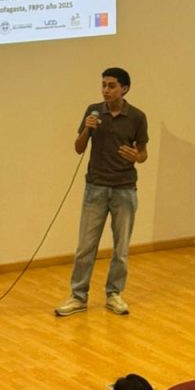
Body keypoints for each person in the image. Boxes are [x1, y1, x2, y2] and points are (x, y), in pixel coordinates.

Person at [55, 67, 148, 317]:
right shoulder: (93, 111)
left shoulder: (137, 117)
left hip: (125, 190)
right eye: (103, 85)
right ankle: (78, 296)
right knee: (86, 247)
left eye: (111, 86)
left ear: (124, 89)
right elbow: (78, 148)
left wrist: (136, 156)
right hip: (95, 187)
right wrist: (87, 129)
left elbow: (143, 153)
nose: (106, 90)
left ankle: (114, 294)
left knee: (121, 248)